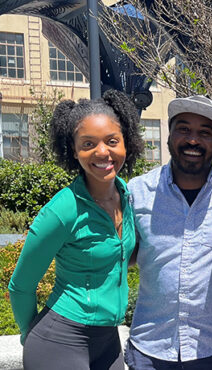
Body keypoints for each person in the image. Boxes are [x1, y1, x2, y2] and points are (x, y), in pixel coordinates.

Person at [8, 90, 144, 369]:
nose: (102, 152)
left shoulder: (127, 196)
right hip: (59, 340)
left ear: (126, 144)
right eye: (88, 143)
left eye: (111, 141)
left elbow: (121, 256)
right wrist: (28, 335)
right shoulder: (62, 210)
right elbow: (20, 286)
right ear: (73, 151)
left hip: (108, 341)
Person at [125, 95, 212, 369]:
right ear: (169, 136)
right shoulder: (138, 192)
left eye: (205, 133)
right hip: (149, 350)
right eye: (184, 129)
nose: (193, 140)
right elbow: (120, 256)